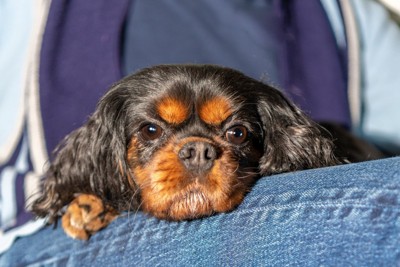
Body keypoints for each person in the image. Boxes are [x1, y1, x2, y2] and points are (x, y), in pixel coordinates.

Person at [1, 0, 399, 265]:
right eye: (153, 130)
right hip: (52, 235)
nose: (199, 152)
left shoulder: (344, 10)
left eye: (237, 134)